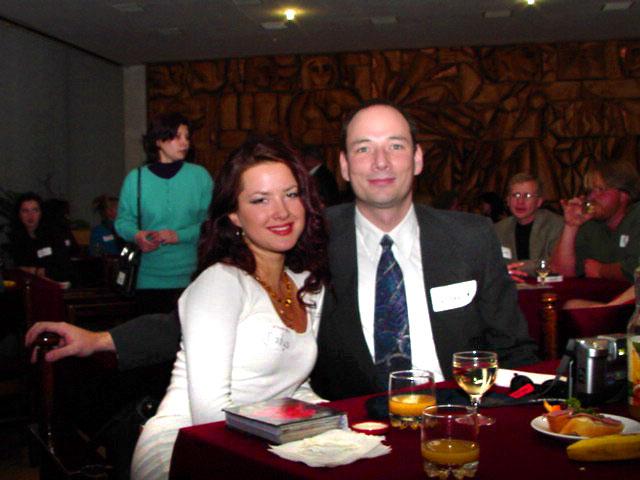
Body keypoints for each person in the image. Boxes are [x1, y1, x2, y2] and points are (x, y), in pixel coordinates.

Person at [310, 100, 538, 400]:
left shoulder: (472, 238)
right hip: (355, 421)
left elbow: (512, 348)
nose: (381, 162)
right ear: (344, 166)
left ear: (417, 159)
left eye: (395, 146)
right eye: (363, 148)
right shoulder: (313, 241)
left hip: (458, 411)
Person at [130, 136, 330, 479]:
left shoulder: (306, 285)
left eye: (291, 194)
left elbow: (292, 387)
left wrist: (342, 422)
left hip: (265, 440)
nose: (281, 211)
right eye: (260, 200)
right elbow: (209, 416)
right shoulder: (221, 283)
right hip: (187, 446)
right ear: (234, 215)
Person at [115, 113, 213, 314]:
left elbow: (212, 222)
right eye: (177, 137)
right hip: (146, 278)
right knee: (152, 332)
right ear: (159, 141)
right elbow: (122, 222)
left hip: (191, 276)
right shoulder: (136, 178)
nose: (184, 143)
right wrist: (137, 235)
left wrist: (180, 235)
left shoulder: (200, 176)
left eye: (187, 137)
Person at [550, 160, 640, 282]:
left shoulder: (636, 217)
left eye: (601, 190)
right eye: (590, 191)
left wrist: (601, 270)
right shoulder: (591, 223)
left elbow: (636, 269)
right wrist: (571, 226)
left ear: (624, 195)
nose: (592, 197)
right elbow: (560, 272)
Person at [495, 173, 563, 280]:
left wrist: (519, 267)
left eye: (527, 196)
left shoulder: (556, 224)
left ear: (539, 202)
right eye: (516, 195)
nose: (520, 202)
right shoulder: (498, 229)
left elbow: (556, 265)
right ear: (508, 201)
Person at [6, 192, 76, 283]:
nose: (30, 215)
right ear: (19, 214)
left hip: (58, 284)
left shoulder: (54, 235)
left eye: (35, 210)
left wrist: (35, 271)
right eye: (25, 211)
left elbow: (64, 268)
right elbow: (17, 269)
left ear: (41, 213)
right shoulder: (17, 238)